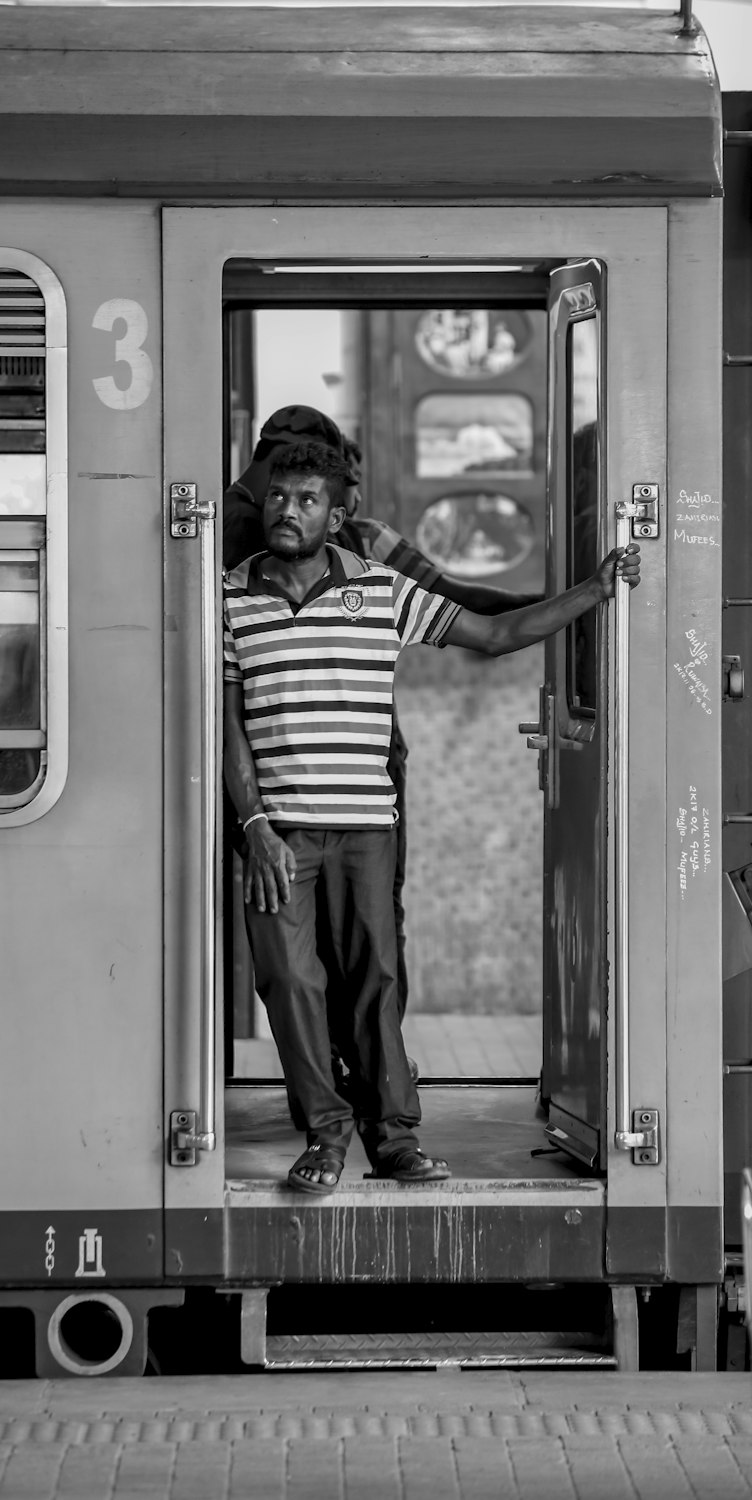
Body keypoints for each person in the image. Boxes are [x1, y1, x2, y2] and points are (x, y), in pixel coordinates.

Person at [223, 438, 639, 1193]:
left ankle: (394, 1142)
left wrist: (594, 592)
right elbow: (226, 727)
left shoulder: (383, 590)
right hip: (278, 833)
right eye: (279, 497)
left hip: (365, 830)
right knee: (289, 981)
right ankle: (323, 1135)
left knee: (373, 983)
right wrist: (253, 827)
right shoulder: (228, 597)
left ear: (338, 513)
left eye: (308, 500)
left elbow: (497, 634)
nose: (289, 512)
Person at [225, 405, 541, 1028]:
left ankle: (352, 1071)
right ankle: (368, 1069)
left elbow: (464, 613)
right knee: (364, 934)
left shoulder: (349, 542)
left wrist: (556, 603)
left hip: (286, 776)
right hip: (321, 777)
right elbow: (463, 599)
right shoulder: (312, 543)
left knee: (300, 939)